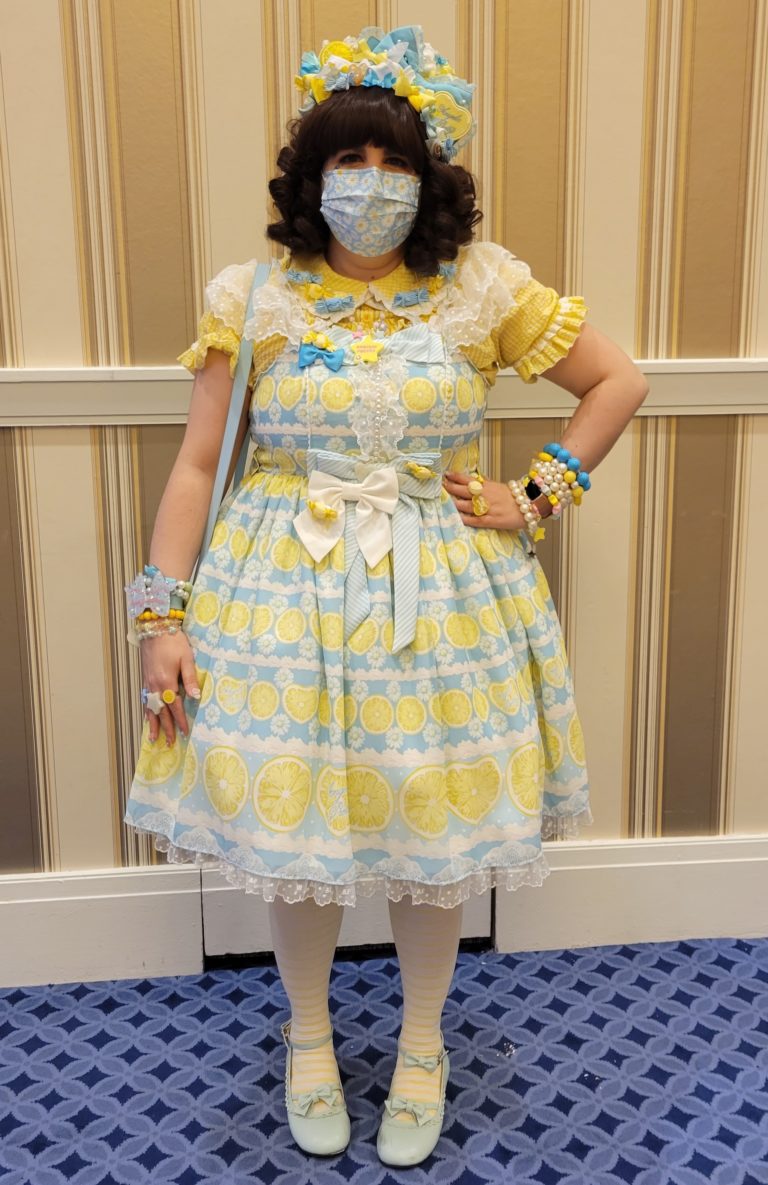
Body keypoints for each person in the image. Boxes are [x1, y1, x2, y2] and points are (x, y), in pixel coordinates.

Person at [122, 25, 648, 1167]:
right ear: (310, 177)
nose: (371, 182)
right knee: (295, 824)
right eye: (348, 160)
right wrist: (160, 617)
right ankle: (308, 1036)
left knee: (432, 827)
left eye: (395, 161)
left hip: (440, 593)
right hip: (281, 590)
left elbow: (617, 379)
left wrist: (535, 495)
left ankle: (421, 1043)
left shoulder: (480, 287)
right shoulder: (253, 296)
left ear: (429, 176)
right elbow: (200, 463)